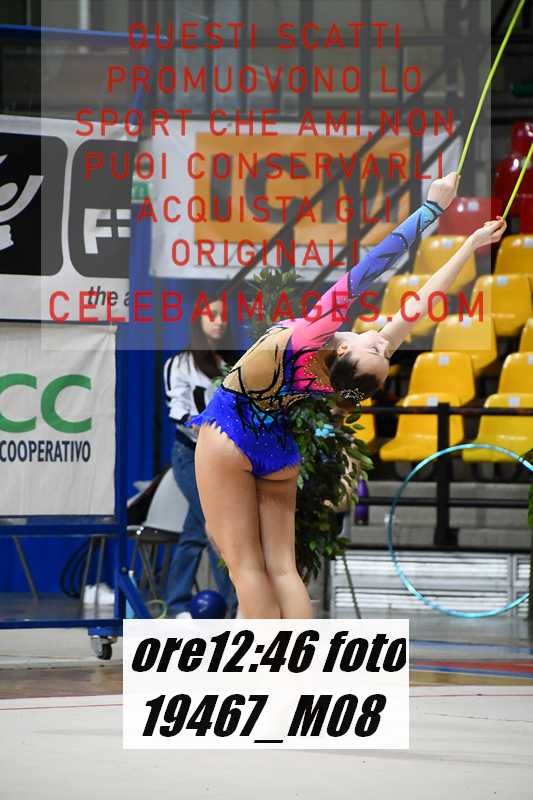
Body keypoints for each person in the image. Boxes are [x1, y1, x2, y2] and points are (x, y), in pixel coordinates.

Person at [190, 172, 507, 619]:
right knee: (283, 568)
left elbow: (372, 265)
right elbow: (423, 301)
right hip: (277, 446)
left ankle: (267, 662)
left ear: (345, 352)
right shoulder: (335, 372)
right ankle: (299, 659)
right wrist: (468, 245)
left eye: (378, 352)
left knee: (247, 569)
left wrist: (432, 209)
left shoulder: (314, 336)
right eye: (383, 351)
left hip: (231, 431)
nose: (382, 344)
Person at [163, 296, 238, 618]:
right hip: (190, 454)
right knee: (216, 526)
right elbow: (177, 408)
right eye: (212, 314)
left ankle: (177, 603)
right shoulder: (180, 363)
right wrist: (202, 426)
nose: (219, 321)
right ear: (198, 319)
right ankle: (235, 605)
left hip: (224, 458)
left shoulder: (232, 362)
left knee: (196, 531)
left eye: (223, 315)